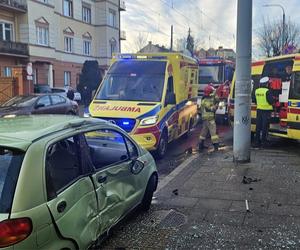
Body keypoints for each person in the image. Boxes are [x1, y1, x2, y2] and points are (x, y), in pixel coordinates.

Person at [254, 77, 274, 147]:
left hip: (259, 110)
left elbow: (254, 100)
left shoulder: (257, 91)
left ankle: (257, 141)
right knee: (264, 126)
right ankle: (264, 141)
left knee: (258, 126)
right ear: (266, 84)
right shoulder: (267, 91)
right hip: (266, 111)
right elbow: (271, 101)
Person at [198, 84, 220, 151]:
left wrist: (215, 95)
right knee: (213, 133)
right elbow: (211, 108)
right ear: (209, 92)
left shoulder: (204, 98)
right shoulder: (206, 101)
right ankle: (216, 146)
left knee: (203, 132)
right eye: (211, 92)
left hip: (205, 119)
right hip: (210, 119)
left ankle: (200, 145)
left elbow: (216, 99)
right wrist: (216, 106)